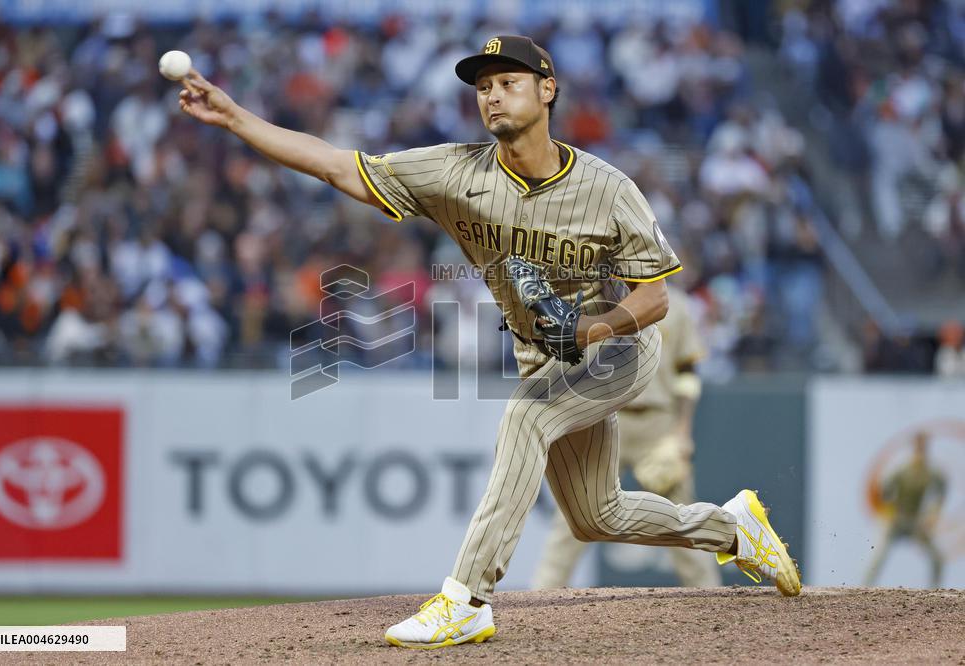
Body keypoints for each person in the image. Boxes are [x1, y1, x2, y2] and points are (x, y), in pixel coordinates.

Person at [177, 34, 800, 650]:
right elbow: (338, 164)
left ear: (548, 89)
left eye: (508, 83)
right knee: (595, 516)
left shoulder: (608, 188)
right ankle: (733, 529)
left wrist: (592, 327)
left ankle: (467, 599)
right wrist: (235, 118)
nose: (492, 97)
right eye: (482, 87)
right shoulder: (454, 173)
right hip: (546, 358)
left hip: (617, 350)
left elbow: (656, 296)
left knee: (526, 418)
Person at [532, 285, 720, 589]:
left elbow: (687, 373)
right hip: (603, 416)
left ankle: (710, 595)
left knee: (682, 516)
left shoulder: (676, 304)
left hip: (657, 422)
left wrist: (682, 432)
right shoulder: (593, 301)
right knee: (574, 515)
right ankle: (542, 595)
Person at [864, 432, 947, 588]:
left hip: (915, 521)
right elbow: (885, 492)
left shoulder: (930, 472)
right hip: (896, 521)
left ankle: (936, 592)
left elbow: (942, 489)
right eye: (918, 446)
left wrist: (934, 513)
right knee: (877, 559)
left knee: (937, 558)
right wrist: (887, 513)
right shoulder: (902, 470)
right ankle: (862, 590)